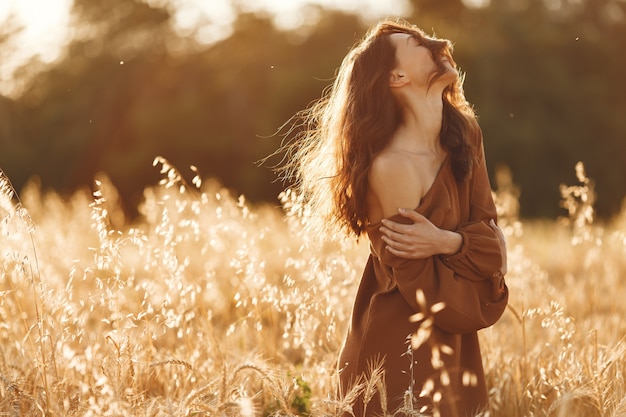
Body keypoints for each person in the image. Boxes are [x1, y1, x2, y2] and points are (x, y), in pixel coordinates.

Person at [278, 18, 509, 417]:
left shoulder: (465, 134)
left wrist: (447, 242)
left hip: (454, 343)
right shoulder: (391, 168)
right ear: (397, 76)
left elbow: (490, 243)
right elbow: (432, 289)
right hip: (399, 352)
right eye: (417, 42)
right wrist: (479, 254)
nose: (439, 41)